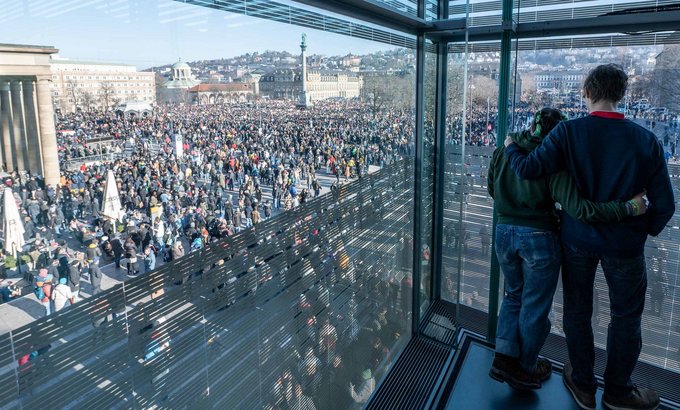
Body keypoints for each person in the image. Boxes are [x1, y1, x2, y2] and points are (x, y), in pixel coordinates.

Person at [505, 64, 675, 410]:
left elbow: (529, 168)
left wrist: (509, 146)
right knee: (626, 318)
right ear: (621, 94)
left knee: (578, 312)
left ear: (586, 92)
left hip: (577, 240)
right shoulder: (646, 140)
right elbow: (665, 204)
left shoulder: (568, 133)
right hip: (626, 246)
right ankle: (618, 391)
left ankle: (582, 383)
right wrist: (640, 228)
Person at [488, 107, 646, 391]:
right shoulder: (553, 162)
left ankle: (503, 357)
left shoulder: (504, 151)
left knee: (513, 295)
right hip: (539, 238)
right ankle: (524, 368)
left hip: (502, 232)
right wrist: (628, 208)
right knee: (535, 307)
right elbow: (581, 209)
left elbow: (492, 188)